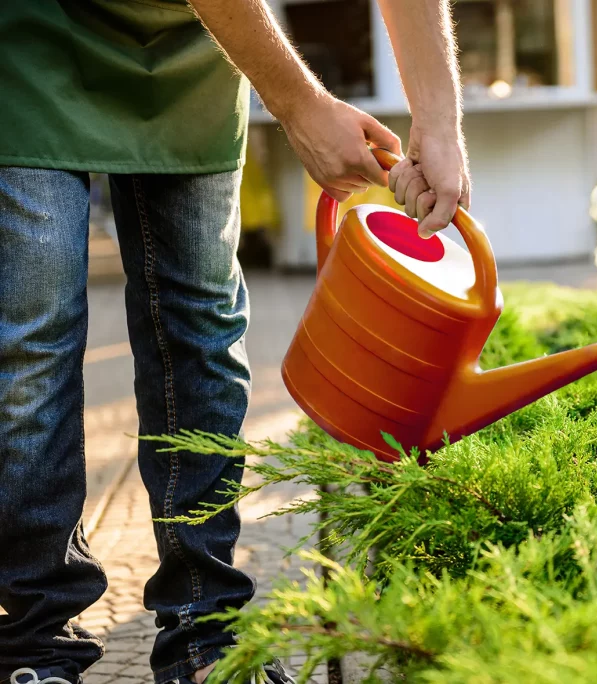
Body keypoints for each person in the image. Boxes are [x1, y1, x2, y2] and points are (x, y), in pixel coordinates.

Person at [0, 1, 470, 683]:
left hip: (198, 45)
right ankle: (35, 644)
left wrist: (440, 122)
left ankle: (206, 633)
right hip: (34, 33)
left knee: (201, 332)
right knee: (33, 340)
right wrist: (302, 106)